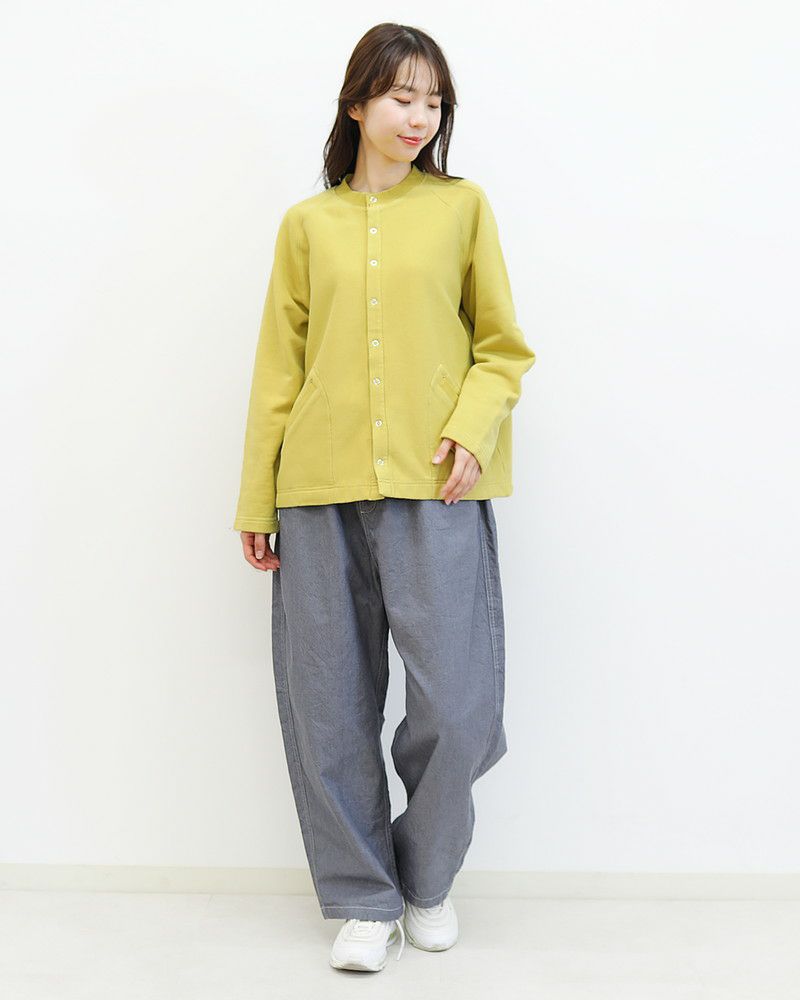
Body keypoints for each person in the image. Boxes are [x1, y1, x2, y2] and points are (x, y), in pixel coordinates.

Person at [232, 22, 536, 974]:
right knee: (328, 704)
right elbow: (278, 372)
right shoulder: (306, 226)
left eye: (434, 101)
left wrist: (470, 428)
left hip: (436, 487)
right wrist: (256, 498)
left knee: (459, 705)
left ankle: (427, 879)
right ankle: (364, 899)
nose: (419, 116)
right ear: (357, 102)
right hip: (316, 489)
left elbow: (503, 349)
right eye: (402, 97)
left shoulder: (462, 209)